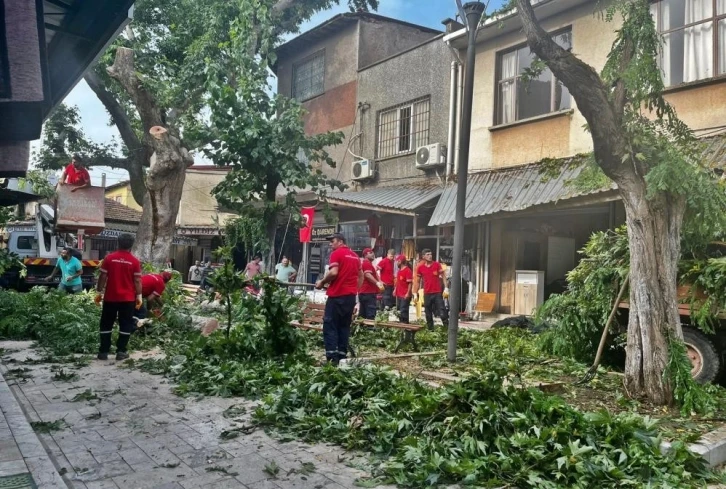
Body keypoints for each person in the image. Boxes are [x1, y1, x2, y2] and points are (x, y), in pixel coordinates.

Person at [315, 233, 362, 366]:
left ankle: (331, 359)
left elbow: (334, 272)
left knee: (330, 325)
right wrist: (354, 290)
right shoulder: (355, 256)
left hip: (336, 297)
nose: (330, 244)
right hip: (350, 298)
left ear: (340, 241)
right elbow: (361, 276)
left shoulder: (337, 253)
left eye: (332, 241)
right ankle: (342, 357)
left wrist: (322, 282)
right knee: (344, 326)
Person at [94, 233, 142, 361]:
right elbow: (137, 281)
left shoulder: (109, 258)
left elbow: (103, 277)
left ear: (117, 243)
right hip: (127, 299)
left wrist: (99, 292)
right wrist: (139, 295)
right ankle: (121, 351)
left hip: (110, 298)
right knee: (125, 323)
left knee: (106, 323)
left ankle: (103, 352)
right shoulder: (135, 261)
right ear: (131, 245)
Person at [415, 248, 449, 331]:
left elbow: (443, 276)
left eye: (431, 254)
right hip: (427, 293)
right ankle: (431, 330)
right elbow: (417, 281)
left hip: (437, 292)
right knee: (428, 313)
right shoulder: (420, 268)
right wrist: (415, 293)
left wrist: (446, 288)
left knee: (442, 312)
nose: (430, 256)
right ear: (423, 256)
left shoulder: (437, 265)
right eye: (428, 255)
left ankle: (447, 329)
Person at [359, 248, 383, 320]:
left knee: (362, 315)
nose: (373, 254)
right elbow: (367, 275)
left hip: (364, 292)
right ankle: (370, 330)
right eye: (370, 252)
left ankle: (362, 329)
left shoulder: (367, 264)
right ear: (365, 255)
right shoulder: (367, 263)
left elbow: (373, 275)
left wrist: (380, 281)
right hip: (368, 292)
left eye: (373, 252)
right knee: (370, 314)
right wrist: (377, 283)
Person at [394, 255, 413, 324]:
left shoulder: (407, 271)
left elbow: (410, 283)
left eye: (397, 261)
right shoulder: (399, 271)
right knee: (399, 310)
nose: (396, 263)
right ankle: (401, 324)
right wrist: (395, 290)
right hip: (399, 294)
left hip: (405, 295)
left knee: (404, 310)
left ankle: (405, 325)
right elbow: (398, 282)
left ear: (400, 261)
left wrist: (408, 293)